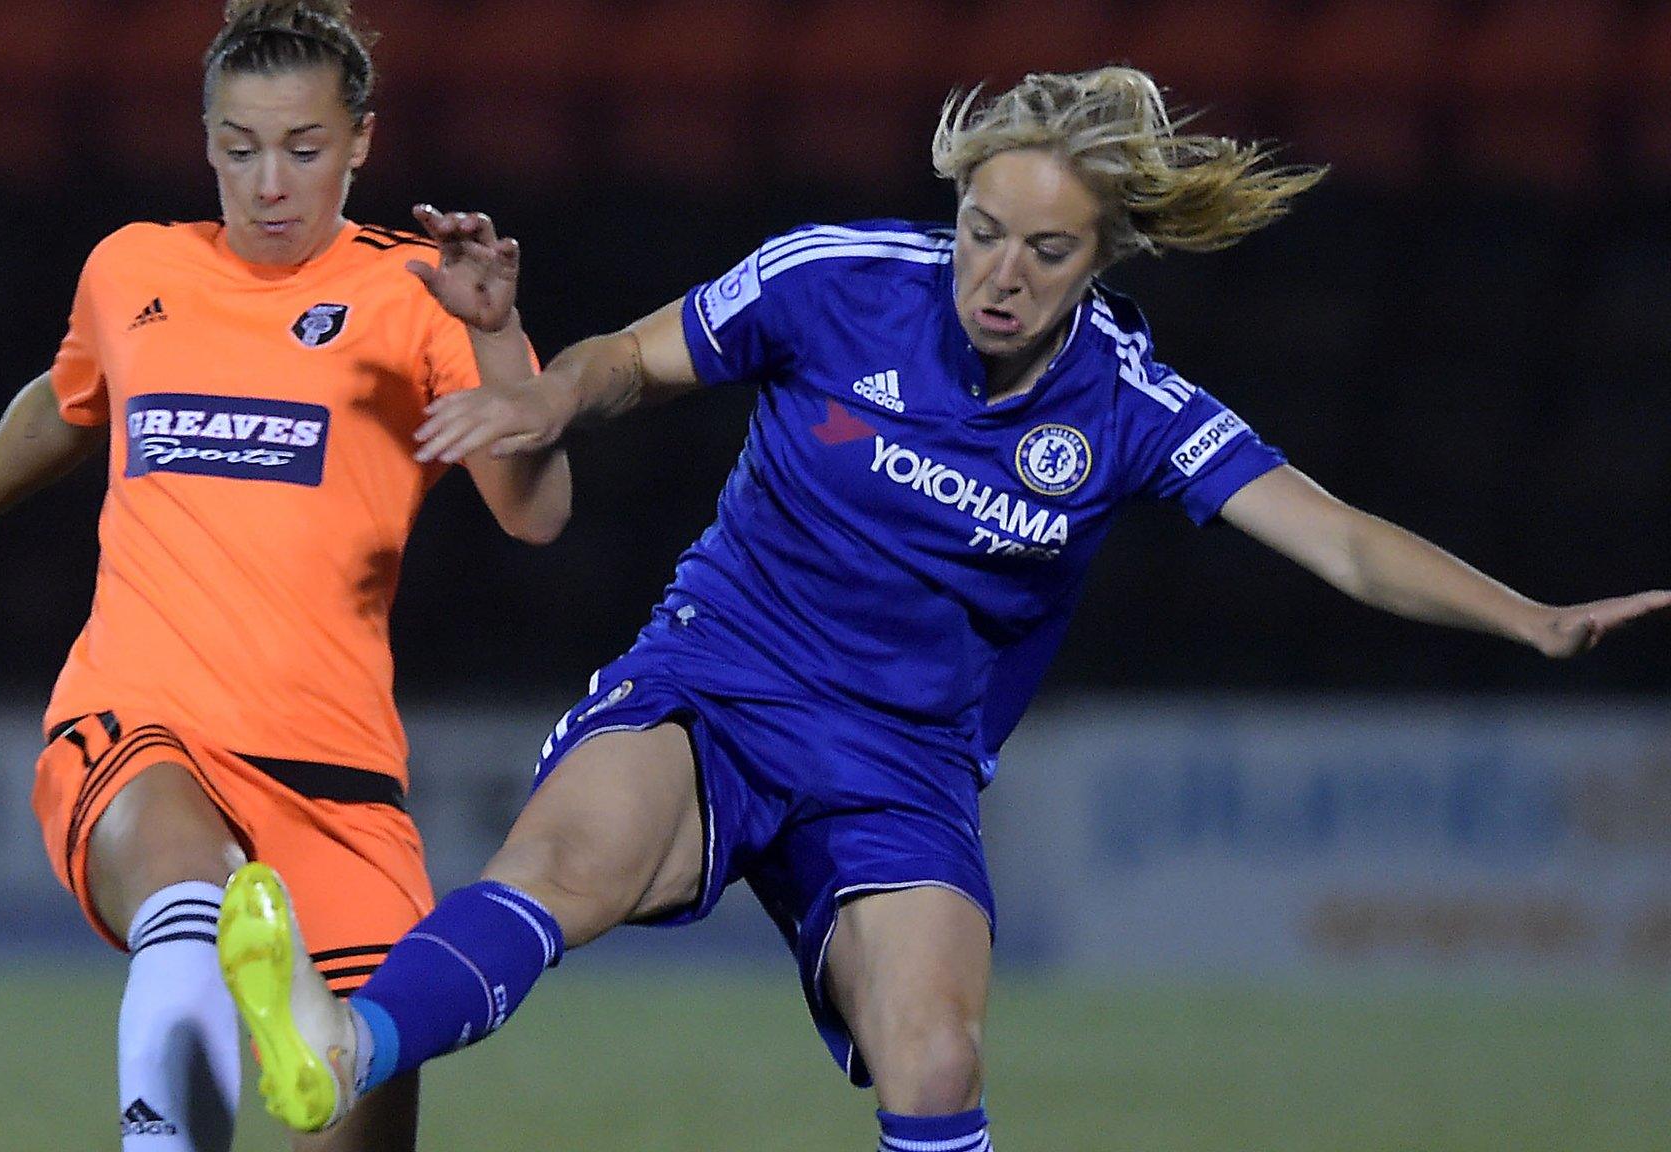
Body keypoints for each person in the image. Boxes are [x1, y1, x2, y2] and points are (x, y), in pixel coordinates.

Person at [212, 66, 1671, 1150]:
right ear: (954, 214)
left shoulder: (1132, 408)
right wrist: (535, 386)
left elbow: (1342, 544)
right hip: (716, 681)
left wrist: (1529, 619)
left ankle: (362, 1033)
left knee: (935, 1060)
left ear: (1102, 263)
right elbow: (631, 362)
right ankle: (341, 1046)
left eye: (1047, 251)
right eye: (983, 232)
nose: (1001, 273)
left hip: (902, 764)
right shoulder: (836, 280)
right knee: (565, 868)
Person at [0, 3, 569, 1150]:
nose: (269, 183)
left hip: (335, 774)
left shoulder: (418, 294)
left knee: (352, 1106)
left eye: (301, 148)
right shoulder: (134, 265)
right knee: (187, 901)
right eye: (239, 148)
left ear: (361, 144)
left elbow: (533, 512)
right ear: (205, 142)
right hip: (142, 720)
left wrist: (498, 340)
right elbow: (70, 397)